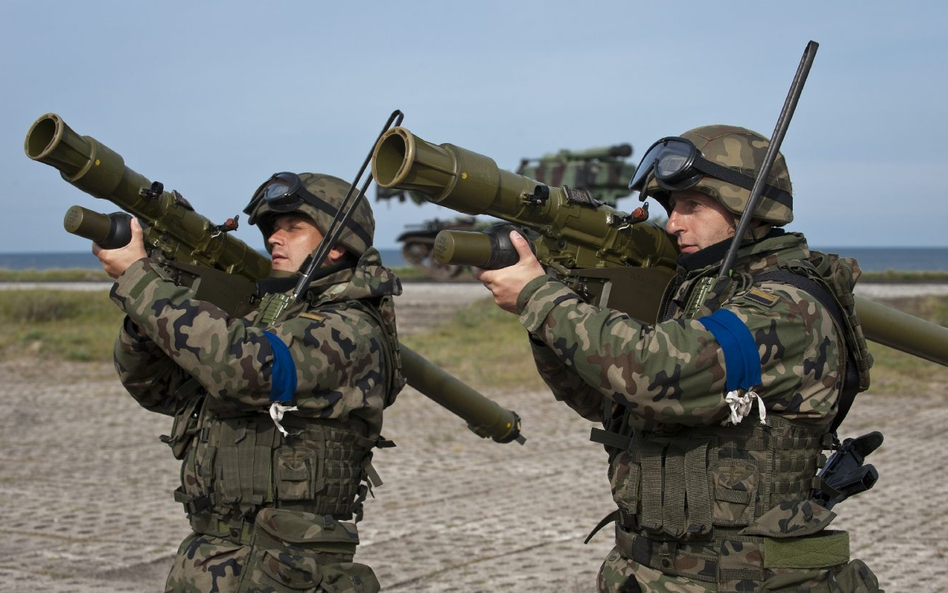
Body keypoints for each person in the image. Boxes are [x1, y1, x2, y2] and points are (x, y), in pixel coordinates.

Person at [476, 126, 881, 592]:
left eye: (692, 206)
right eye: (671, 207)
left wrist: (542, 301)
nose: (673, 224)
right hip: (658, 575)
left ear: (749, 208)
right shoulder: (702, 295)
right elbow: (608, 400)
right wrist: (552, 324)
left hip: (755, 580)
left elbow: (658, 376)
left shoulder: (785, 308)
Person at [94, 172, 404, 593]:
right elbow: (158, 388)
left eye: (293, 228)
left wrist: (142, 283)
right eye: (272, 228)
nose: (276, 238)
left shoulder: (349, 331)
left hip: (287, 570)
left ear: (337, 246)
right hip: (209, 560)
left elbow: (245, 369)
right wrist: (144, 320)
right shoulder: (267, 319)